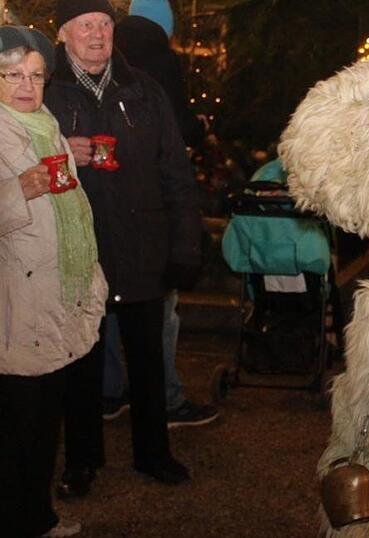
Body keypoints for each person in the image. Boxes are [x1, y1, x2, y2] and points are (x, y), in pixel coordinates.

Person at [44, 0, 202, 496]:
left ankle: (154, 452)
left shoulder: (144, 90)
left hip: (142, 244)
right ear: (64, 34)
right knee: (81, 360)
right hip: (78, 248)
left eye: (104, 26)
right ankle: (83, 460)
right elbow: (18, 167)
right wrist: (63, 155)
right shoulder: (44, 93)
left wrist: (185, 246)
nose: (97, 35)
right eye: (85, 25)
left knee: (148, 357)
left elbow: (175, 172)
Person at [0, 25, 107, 537]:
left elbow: (73, 210)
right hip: (15, 302)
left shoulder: (46, 126)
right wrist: (15, 191)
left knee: (42, 423)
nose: (27, 86)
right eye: (13, 74)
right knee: (19, 427)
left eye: (37, 76)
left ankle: (36, 517)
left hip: (54, 291)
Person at [100, 0, 218, 428]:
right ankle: (165, 397)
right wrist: (200, 129)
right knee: (161, 305)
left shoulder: (106, 55)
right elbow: (174, 132)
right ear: (164, 26)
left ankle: (110, 391)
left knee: (108, 298)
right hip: (152, 203)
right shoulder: (160, 62)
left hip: (110, 197)